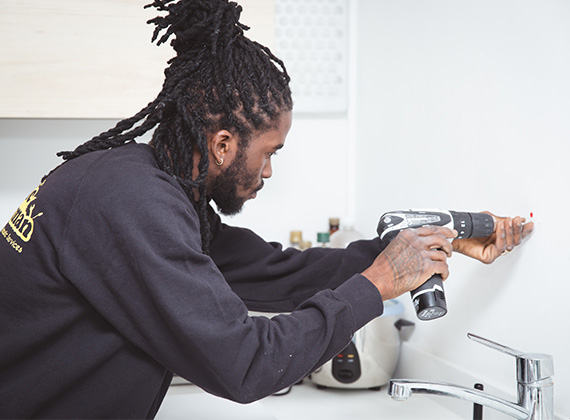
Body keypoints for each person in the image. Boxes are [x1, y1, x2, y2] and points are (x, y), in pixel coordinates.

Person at [0, 0, 533, 418]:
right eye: (270, 152)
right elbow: (247, 363)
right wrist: (376, 284)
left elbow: (279, 271)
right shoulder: (134, 205)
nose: (270, 172)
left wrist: (406, 252)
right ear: (224, 144)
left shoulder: (151, 185)